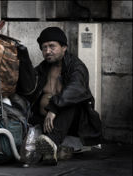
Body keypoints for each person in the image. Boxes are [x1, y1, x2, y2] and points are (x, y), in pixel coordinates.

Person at [25, 27, 102, 165]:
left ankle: (52, 143)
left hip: (72, 125)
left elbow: (76, 88)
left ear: (64, 47)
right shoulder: (41, 69)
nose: (48, 51)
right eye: (44, 48)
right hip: (44, 122)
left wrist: (54, 108)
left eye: (52, 46)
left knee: (73, 102)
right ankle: (48, 147)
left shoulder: (76, 67)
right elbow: (27, 89)